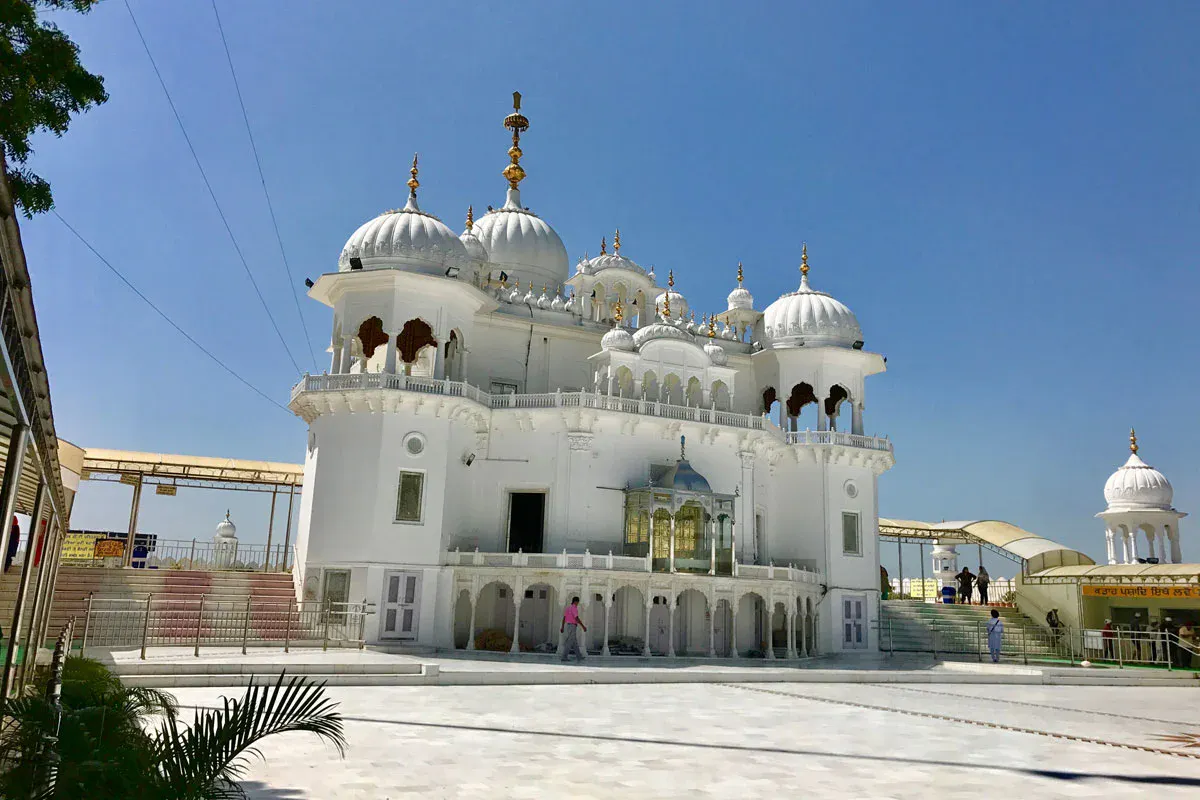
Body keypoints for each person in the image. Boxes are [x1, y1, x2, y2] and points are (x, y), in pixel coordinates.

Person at [560, 596, 588, 663]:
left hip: (569, 626)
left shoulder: (568, 608)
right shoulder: (574, 608)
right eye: (578, 602)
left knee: (574, 642)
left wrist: (562, 627)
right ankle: (564, 657)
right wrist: (583, 626)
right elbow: (576, 618)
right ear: (576, 602)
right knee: (570, 641)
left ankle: (579, 656)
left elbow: (564, 618)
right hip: (572, 626)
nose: (578, 604)